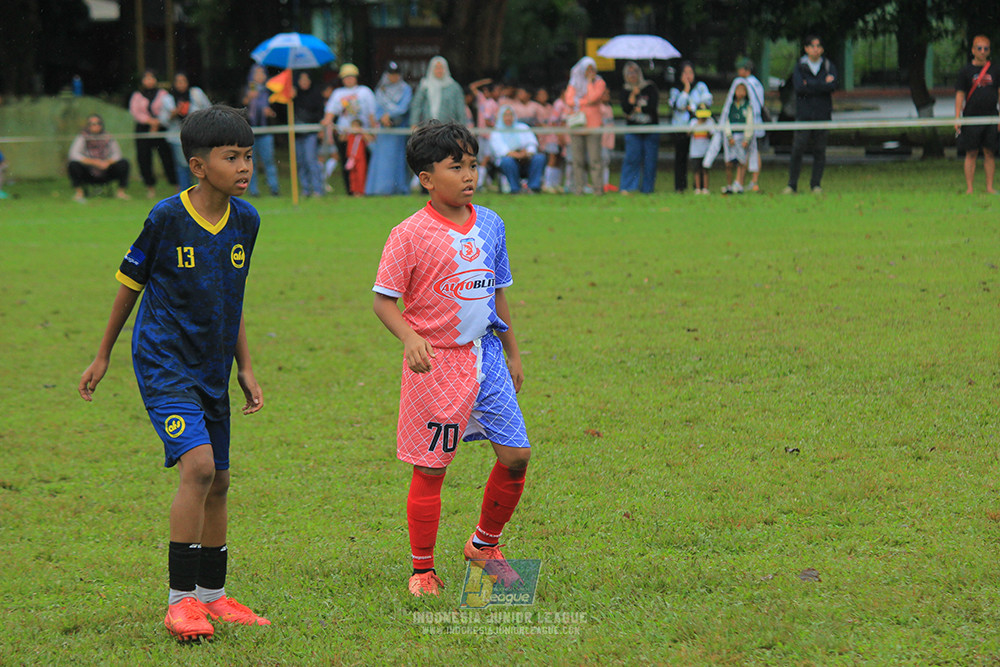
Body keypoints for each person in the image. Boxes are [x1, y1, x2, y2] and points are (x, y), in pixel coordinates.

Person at [77, 105, 269, 642]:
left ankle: (213, 596)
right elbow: (129, 285)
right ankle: (179, 602)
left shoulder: (247, 221)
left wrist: (246, 366)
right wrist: (102, 354)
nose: (244, 166)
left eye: (248, 156)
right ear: (198, 165)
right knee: (200, 468)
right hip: (163, 360)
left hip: (212, 365)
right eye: (231, 157)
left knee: (222, 479)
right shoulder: (167, 217)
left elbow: (233, 300)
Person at [372, 120, 532, 598]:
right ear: (426, 177)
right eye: (455, 166)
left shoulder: (491, 223)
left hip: (487, 359)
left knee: (517, 455)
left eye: (473, 164)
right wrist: (409, 338)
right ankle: (422, 569)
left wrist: (512, 349)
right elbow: (383, 301)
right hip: (437, 365)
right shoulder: (408, 234)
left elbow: (498, 292)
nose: (468, 175)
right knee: (431, 468)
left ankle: (484, 545)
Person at [784, 35, 838, 194]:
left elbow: (833, 86)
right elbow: (800, 88)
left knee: (820, 150)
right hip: (804, 115)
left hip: (822, 114)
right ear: (806, 48)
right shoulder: (800, 66)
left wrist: (812, 85)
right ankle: (792, 184)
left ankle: (816, 184)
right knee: (798, 149)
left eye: (818, 46)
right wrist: (822, 84)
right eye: (812, 46)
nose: (816, 49)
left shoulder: (828, 66)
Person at [955, 35, 1000, 194]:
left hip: (991, 117)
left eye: (986, 48)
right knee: (971, 152)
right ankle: (970, 188)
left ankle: (989, 187)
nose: (982, 51)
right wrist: (958, 117)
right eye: (979, 48)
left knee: (990, 152)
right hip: (971, 118)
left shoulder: (995, 70)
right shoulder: (965, 71)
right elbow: (960, 94)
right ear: (973, 50)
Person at [322, 63, 377, 194]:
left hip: (363, 135)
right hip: (345, 135)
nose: (349, 79)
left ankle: (364, 190)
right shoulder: (337, 93)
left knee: (363, 164)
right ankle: (351, 191)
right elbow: (330, 113)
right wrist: (325, 125)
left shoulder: (365, 92)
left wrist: (373, 132)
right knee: (348, 165)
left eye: (351, 76)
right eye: (346, 77)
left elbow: (372, 114)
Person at [366, 61, 413, 196]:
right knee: (382, 160)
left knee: (398, 160)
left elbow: (403, 107)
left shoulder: (405, 89)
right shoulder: (381, 89)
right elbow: (376, 108)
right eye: (391, 74)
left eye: (396, 74)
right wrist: (382, 118)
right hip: (384, 131)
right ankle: (379, 189)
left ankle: (398, 188)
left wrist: (390, 116)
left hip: (398, 129)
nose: (394, 77)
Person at [129, 69, 176, 199]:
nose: (149, 81)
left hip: (161, 128)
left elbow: (168, 109)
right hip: (143, 129)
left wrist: (157, 122)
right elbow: (135, 112)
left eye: (151, 78)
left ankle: (175, 185)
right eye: (146, 78)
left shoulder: (163, 94)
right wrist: (149, 122)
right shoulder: (137, 95)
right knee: (144, 159)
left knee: (167, 157)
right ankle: (150, 187)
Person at [161, 72, 212, 192]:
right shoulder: (168, 99)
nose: (181, 84)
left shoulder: (196, 94)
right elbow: (163, 121)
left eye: (183, 81)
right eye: (178, 81)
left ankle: (203, 191)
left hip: (198, 136)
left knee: (201, 164)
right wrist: (173, 114)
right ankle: (185, 193)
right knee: (183, 165)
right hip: (177, 137)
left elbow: (209, 110)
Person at [564, 56, 607, 195]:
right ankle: (579, 188)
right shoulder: (574, 82)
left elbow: (593, 97)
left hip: (593, 125)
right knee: (577, 160)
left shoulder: (599, 82)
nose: (590, 72)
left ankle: (597, 189)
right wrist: (585, 102)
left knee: (595, 159)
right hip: (577, 125)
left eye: (592, 69)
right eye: (587, 69)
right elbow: (569, 100)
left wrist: (589, 83)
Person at [668, 62, 712, 193]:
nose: (688, 75)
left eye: (690, 72)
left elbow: (707, 100)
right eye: (685, 73)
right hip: (681, 128)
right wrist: (686, 89)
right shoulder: (675, 90)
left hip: (698, 128)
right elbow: (679, 105)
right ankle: (680, 186)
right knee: (681, 157)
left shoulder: (700, 87)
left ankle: (700, 186)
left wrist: (693, 106)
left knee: (699, 158)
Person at [67, 114, 131, 202]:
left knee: (124, 163)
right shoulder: (82, 136)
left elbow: (117, 154)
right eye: (93, 124)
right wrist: (94, 162)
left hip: (106, 169)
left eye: (98, 123)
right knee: (73, 165)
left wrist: (108, 162)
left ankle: (120, 193)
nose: (96, 126)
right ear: (88, 126)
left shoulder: (107, 136)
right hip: (89, 171)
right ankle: (79, 193)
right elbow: (73, 154)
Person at [619, 61, 660, 195]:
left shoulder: (649, 87)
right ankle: (628, 187)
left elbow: (652, 106)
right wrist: (633, 94)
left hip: (650, 130)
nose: (632, 75)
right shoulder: (625, 90)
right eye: (629, 73)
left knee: (650, 161)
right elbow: (626, 109)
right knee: (632, 159)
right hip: (633, 131)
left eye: (635, 72)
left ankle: (647, 189)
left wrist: (640, 108)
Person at [489, 104, 546, 193]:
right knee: (507, 161)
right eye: (505, 115)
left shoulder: (523, 127)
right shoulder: (496, 132)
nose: (508, 118)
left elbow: (532, 144)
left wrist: (526, 154)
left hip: (525, 159)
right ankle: (515, 189)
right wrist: (517, 155)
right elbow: (502, 151)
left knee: (539, 158)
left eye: (510, 115)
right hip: (510, 161)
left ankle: (533, 188)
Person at [243, 65, 280, 197]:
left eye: (261, 73)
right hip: (250, 132)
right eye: (256, 73)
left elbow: (278, 111)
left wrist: (270, 112)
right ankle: (253, 191)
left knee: (269, 160)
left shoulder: (270, 91)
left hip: (266, 130)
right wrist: (249, 99)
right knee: (250, 162)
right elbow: (240, 108)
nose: (259, 76)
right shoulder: (247, 89)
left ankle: (274, 189)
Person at [735, 57, 766, 191]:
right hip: (757, 121)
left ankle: (750, 181)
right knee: (753, 151)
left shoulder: (746, 83)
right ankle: (750, 181)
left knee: (751, 151)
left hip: (751, 121)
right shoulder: (757, 83)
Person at [720, 80, 757, 195]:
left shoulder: (748, 106)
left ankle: (739, 184)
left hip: (742, 137)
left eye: (742, 91)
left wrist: (747, 138)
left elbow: (750, 123)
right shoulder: (730, 106)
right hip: (731, 137)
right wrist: (729, 136)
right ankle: (730, 184)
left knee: (742, 161)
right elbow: (726, 121)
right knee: (729, 162)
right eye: (738, 90)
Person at [294, 71, 327, 198]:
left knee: (311, 160)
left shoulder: (316, 94)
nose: (304, 83)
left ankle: (318, 189)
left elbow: (320, 112)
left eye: (306, 80)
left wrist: (319, 129)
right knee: (301, 161)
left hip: (311, 133)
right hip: (298, 134)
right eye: (301, 80)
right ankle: (306, 189)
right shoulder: (294, 96)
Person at [410, 56, 467, 127]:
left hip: (448, 128)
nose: (439, 70)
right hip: (428, 127)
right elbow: (417, 105)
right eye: (436, 68)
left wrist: (463, 126)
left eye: (441, 68)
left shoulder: (453, 86)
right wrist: (414, 123)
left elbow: (460, 108)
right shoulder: (425, 85)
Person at [688, 106, 716, 195]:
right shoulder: (693, 122)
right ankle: (697, 188)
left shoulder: (710, 122)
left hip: (706, 150)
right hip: (695, 151)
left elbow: (713, 135)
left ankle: (705, 188)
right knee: (696, 170)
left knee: (705, 170)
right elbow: (688, 133)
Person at [345, 118, 372, 196]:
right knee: (353, 176)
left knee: (361, 175)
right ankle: (354, 191)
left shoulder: (361, 136)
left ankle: (361, 191)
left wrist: (362, 131)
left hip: (360, 159)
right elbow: (342, 138)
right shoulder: (350, 135)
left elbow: (370, 139)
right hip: (352, 159)